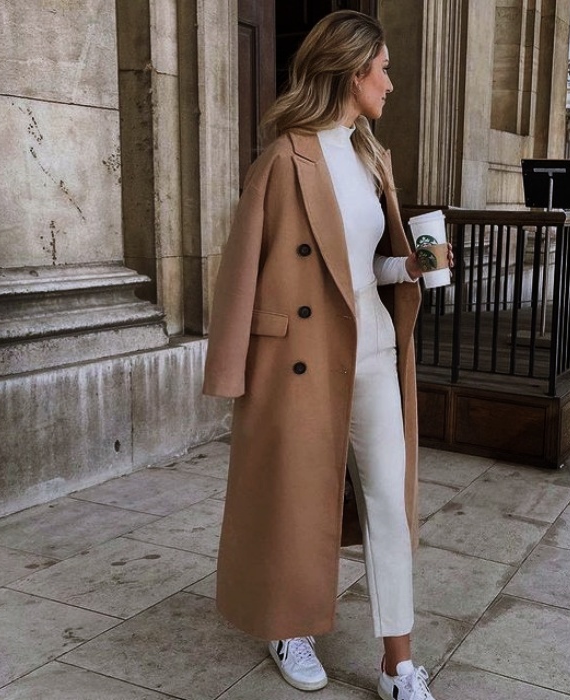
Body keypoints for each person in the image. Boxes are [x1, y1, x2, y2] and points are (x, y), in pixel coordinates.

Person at [203, 10, 450, 700]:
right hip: (299, 357)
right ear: (351, 70)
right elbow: (241, 267)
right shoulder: (284, 159)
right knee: (296, 497)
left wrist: (411, 268)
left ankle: (398, 663)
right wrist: (231, 370)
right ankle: (289, 626)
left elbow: (359, 270)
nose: (391, 84)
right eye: (384, 68)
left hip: (372, 346)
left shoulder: (371, 155)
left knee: (389, 500)